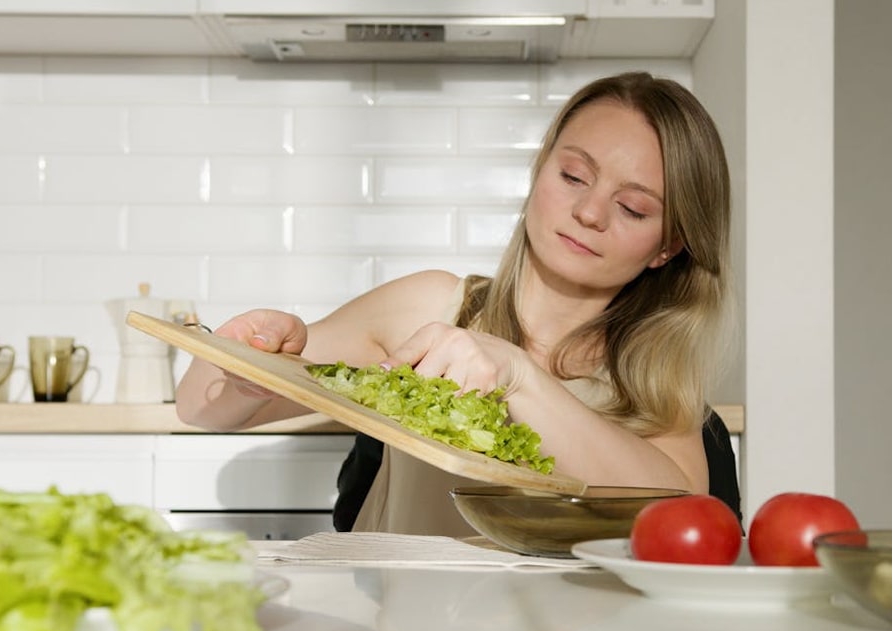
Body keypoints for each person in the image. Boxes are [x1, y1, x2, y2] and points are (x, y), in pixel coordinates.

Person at [176, 71, 734, 537]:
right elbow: (200, 407)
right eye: (572, 176)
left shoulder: (654, 383)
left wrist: (519, 377)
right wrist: (248, 364)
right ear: (540, 169)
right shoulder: (431, 307)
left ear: (668, 246)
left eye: (633, 208)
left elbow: (680, 511)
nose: (590, 212)